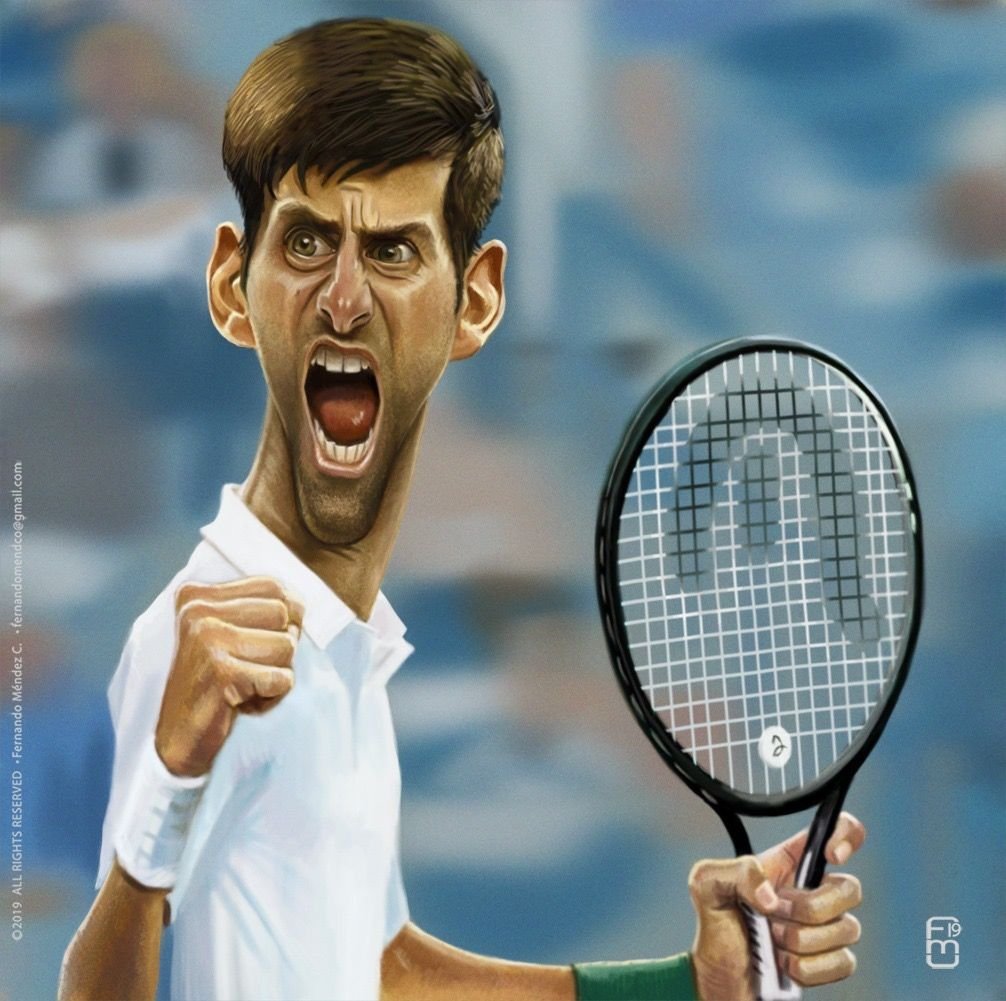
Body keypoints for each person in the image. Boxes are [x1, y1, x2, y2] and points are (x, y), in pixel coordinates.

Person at [57, 18, 864, 1001]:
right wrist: (167, 782)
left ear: (474, 300)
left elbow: (378, 967)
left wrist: (684, 984)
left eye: (394, 251)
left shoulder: (348, 646)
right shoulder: (194, 636)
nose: (344, 298)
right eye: (307, 241)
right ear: (233, 286)